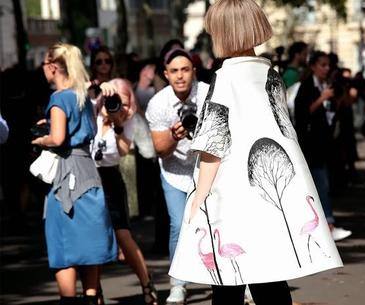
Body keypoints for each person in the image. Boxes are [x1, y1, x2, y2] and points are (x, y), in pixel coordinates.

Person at [168, 1, 343, 305]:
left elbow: (213, 144)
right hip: (270, 186)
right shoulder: (270, 74)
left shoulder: (224, 79)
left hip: (231, 190)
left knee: (227, 282)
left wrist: (198, 199)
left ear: (223, 32)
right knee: (270, 278)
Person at [30, 42, 117, 305]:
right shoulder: (82, 96)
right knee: (90, 241)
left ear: (54, 67)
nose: (43, 69)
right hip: (88, 171)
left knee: (63, 246)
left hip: (66, 176)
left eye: (45, 64)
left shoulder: (58, 98)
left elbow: (57, 138)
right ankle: (92, 296)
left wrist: (40, 140)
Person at [145, 47, 209, 304]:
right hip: (174, 172)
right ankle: (178, 284)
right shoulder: (158, 103)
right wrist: (175, 135)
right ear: (166, 74)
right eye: (174, 71)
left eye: (185, 70)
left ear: (194, 71)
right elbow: (160, 150)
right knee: (178, 225)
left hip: (206, 167)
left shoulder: (208, 94)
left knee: (213, 224)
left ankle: (226, 280)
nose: (180, 76)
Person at [90, 78, 158, 305]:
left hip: (110, 177)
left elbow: (120, 152)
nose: (122, 106)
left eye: (126, 103)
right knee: (94, 237)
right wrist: (97, 86)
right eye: (117, 101)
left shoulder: (127, 121)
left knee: (123, 234)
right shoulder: (94, 108)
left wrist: (117, 122)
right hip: (88, 176)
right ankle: (94, 291)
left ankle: (147, 283)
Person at [294, 51, 352, 241]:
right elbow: (302, 114)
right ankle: (328, 224)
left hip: (325, 145)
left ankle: (320, 225)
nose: (326, 69)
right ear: (313, 67)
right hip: (311, 146)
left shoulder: (327, 85)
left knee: (319, 185)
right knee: (321, 184)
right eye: (323, 65)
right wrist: (322, 99)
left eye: (328, 66)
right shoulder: (307, 87)